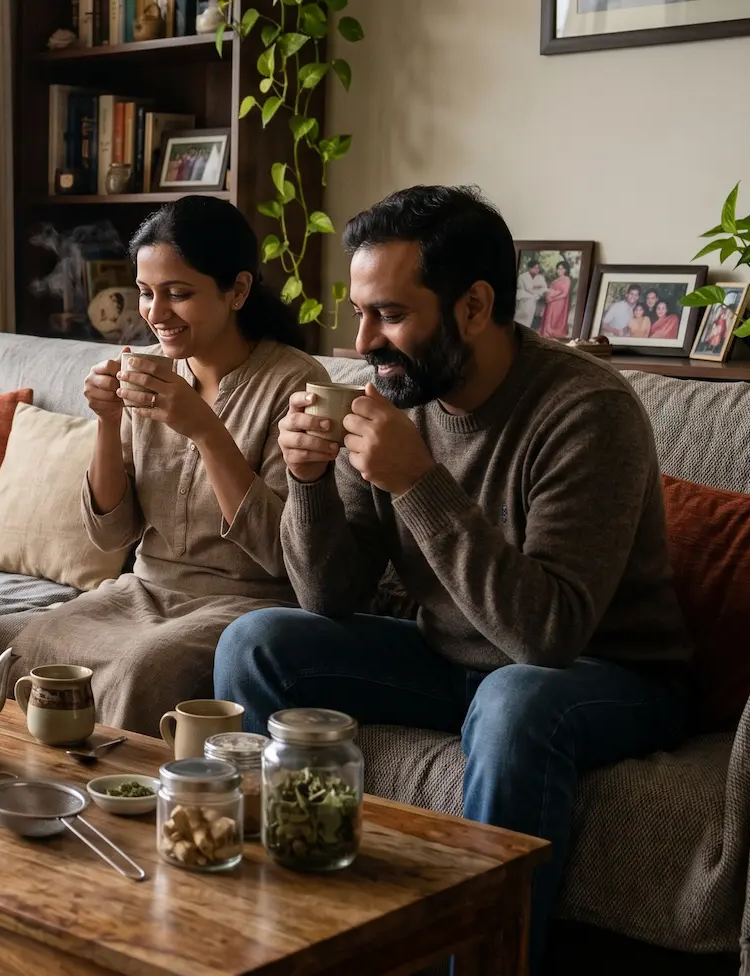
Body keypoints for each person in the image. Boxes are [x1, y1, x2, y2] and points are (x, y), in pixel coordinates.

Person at [214, 185, 691, 971]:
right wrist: (305, 480)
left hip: (607, 675)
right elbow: (328, 598)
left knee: (517, 697)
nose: (364, 339)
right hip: (451, 656)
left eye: (391, 315)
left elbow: (549, 634)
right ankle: (296, 925)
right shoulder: (399, 393)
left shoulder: (586, 411)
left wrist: (417, 483)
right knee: (257, 642)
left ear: (474, 306)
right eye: (360, 312)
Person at [8, 196, 327, 734]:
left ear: (238, 291)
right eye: (146, 293)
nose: (155, 314)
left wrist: (204, 428)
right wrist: (107, 421)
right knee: (33, 642)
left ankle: (122, 804)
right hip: (144, 590)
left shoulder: (294, 385)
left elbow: (282, 553)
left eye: (178, 294)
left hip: (242, 605)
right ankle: (42, 794)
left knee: (144, 669)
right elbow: (113, 534)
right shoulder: (150, 370)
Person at [539, 261, 573, 339]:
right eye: (558, 268)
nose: (559, 270)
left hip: (559, 302)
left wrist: (553, 299)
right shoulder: (556, 280)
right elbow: (550, 290)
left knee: (555, 320)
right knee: (548, 319)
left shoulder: (567, 279)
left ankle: (553, 334)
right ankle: (546, 334)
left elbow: (564, 294)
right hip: (551, 303)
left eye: (562, 269)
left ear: (566, 270)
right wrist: (548, 297)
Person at [513, 260, 547, 330]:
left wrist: (537, 289)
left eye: (538, 268)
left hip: (533, 299)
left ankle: (525, 329)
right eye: (535, 268)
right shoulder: (523, 276)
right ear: (529, 268)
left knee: (529, 316)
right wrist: (537, 288)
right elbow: (528, 288)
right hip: (523, 298)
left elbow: (544, 288)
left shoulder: (540, 277)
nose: (537, 269)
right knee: (521, 315)